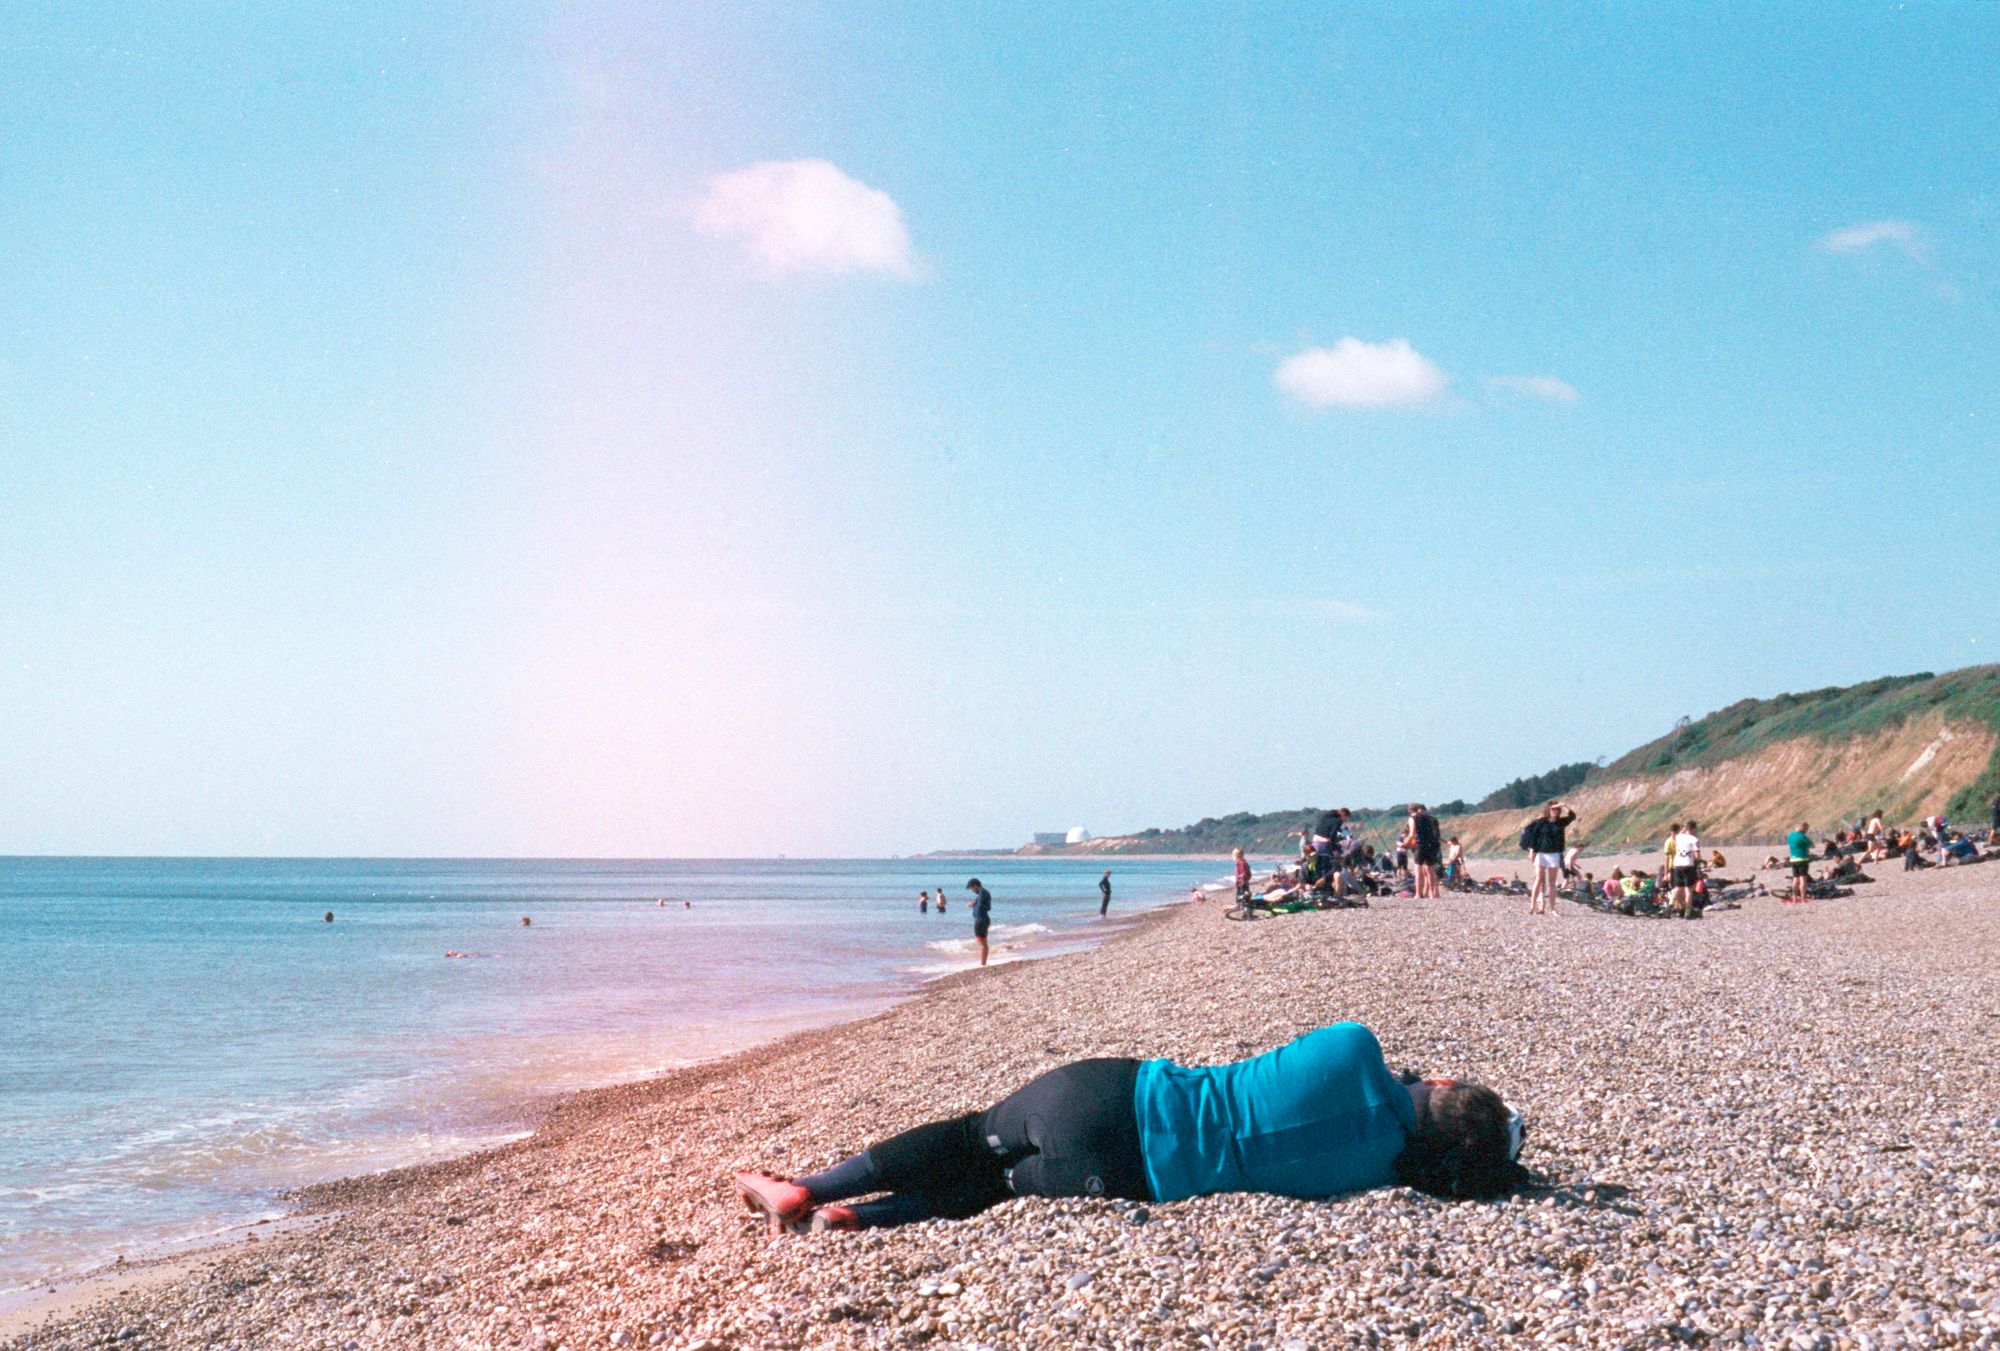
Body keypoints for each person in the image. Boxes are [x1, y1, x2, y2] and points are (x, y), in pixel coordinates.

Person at [731, 1022, 1526, 1235]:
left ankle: (810, 1185)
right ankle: (859, 1216)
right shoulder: (1385, 1174)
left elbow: (1311, 1071)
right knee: (1004, 1185)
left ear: (1445, 1083)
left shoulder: (1358, 1046)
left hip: (1120, 1098)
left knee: (978, 1132)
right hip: (1130, 1176)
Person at [1520, 801, 1577, 915]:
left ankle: (1552, 909)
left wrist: (1563, 805)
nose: (1555, 811)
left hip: (1554, 854)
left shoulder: (1560, 822)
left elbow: (1572, 816)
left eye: (1557, 810)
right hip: (1541, 853)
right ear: (1548, 810)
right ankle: (1532, 906)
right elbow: (1533, 837)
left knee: (1552, 882)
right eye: (1552, 809)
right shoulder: (1541, 822)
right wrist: (1531, 850)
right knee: (1539, 879)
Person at [1668, 820, 1702, 917]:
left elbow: (1675, 837)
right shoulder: (1694, 839)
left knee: (1678, 888)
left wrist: (1684, 829)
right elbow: (1697, 855)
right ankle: (1687, 911)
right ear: (1694, 829)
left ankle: (1669, 906)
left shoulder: (1678, 837)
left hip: (1677, 865)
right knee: (1689, 889)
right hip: (1688, 865)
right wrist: (1699, 862)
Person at [1408, 803, 1442, 899]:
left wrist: (1406, 844)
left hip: (1422, 845)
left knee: (1419, 869)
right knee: (1429, 869)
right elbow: (1436, 834)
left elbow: (1412, 834)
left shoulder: (1414, 818)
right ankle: (1432, 893)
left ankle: (1419, 893)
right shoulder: (1431, 819)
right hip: (1433, 845)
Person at [965, 878, 993, 965]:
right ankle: (983, 962)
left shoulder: (982, 894)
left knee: (981, 943)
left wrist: (972, 904)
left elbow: (980, 907)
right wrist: (975, 904)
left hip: (981, 920)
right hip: (984, 919)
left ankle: (983, 963)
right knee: (983, 942)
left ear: (975, 886)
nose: (972, 891)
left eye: (972, 888)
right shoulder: (985, 893)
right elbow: (987, 907)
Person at [1786, 822, 1813, 903]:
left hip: (1793, 859)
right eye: (1806, 829)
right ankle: (1803, 898)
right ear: (1804, 828)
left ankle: (1794, 898)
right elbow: (1812, 845)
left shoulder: (1790, 835)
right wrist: (1806, 846)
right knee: (1803, 879)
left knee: (1795, 879)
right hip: (1802, 858)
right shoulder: (1802, 836)